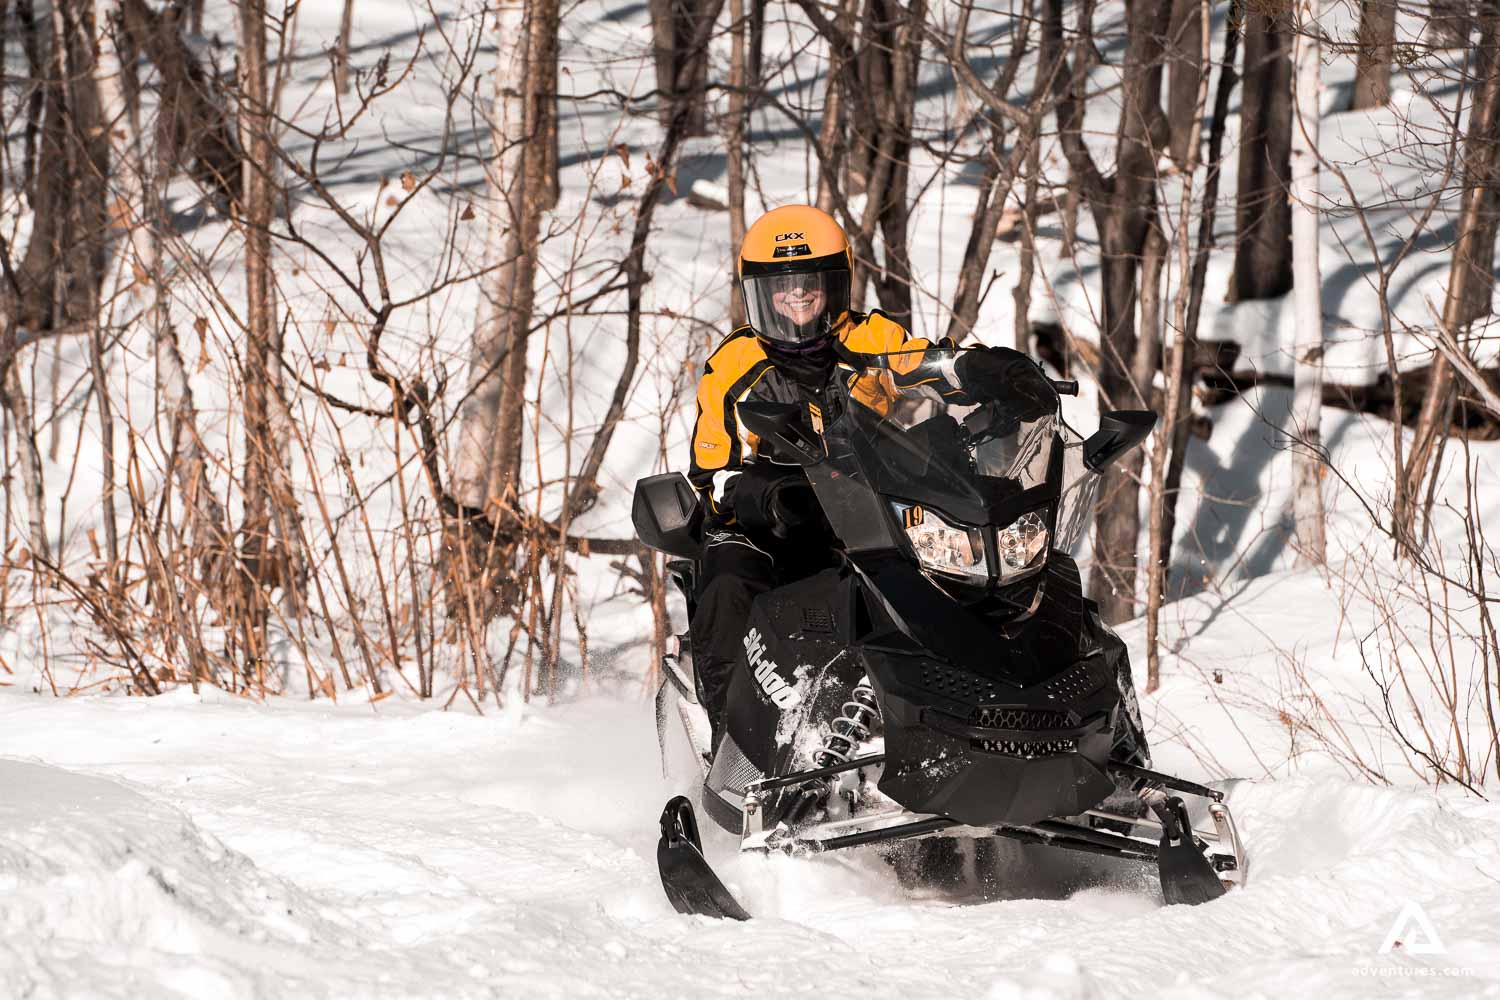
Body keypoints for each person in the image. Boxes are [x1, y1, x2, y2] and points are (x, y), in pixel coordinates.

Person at [685, 205, 931, 744]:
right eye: (781, 286)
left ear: (837, 284)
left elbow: (928, 365)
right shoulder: (735, 362)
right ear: (758, 293)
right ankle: (733, 742)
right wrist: (764, 492)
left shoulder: (870, 338)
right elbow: (714, 473)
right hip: (767, 524)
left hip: (868, 507)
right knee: (727, 580)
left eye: (810, 283)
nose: (797, 295)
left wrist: (985, 370)